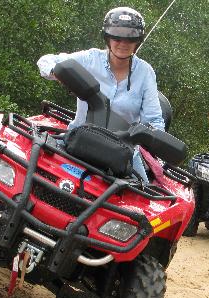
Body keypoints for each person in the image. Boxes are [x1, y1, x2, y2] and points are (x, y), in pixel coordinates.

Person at [37, 7, 164, 182]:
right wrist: (57, 72)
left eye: (130, 38)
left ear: (138, 41)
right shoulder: (90, 58)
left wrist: (156, 139)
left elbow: (154, 120)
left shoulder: (145, 72)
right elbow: (46, 60)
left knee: (148, 197)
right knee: (36, 166)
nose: (123, 43)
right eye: (117, 36)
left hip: (122, 151)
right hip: (79, 138)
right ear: (107, 37)